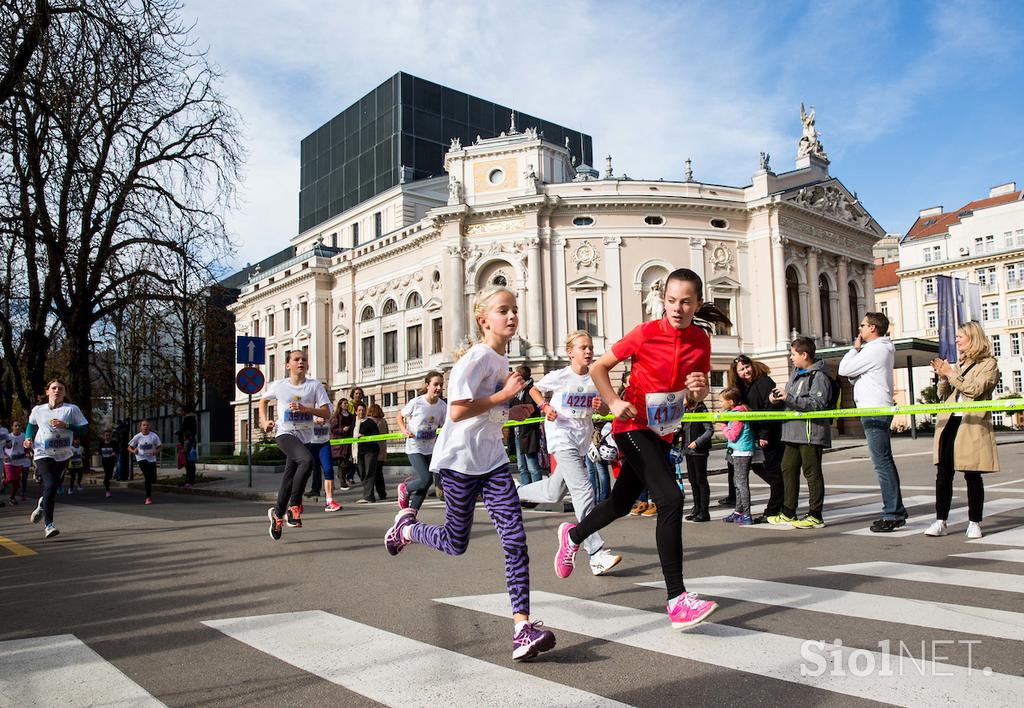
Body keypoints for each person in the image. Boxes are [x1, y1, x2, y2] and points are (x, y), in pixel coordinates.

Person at [383, 286, 557, 662]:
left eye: (514, 310)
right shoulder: (476, 359)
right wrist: (503, 397)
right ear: (484, 320)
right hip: (459, 463)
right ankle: (407, 529)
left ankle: (521, 628)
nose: (512, 316)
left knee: (515, 539)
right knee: (454, 542)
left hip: (492, 462)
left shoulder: (500, 360)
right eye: (503, 311)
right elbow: (458, 412)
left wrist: (510, 414)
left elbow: (484, 415)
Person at [554, 268, 729, 630]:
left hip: (662, 433)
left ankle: (573, 536)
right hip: (631, 426)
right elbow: (600, 367)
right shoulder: (645, 333)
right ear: (662, 300)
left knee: (619, 503)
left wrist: (697, 390)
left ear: (697, 302)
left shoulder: (701, 341)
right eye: (670, 301)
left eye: (685, 302)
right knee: (671, 498)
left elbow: (695, 397)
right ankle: (677, 599)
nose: (677, 308)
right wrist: (614, 402)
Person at [517, 330, 623, 576]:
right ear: (570, 352)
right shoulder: (560, 376)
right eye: (582, 347)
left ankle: (512, 492)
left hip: (581, 440)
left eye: (590, 347)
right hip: (561, 436)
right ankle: (595, 552)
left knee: (554, 491)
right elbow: (534, 390)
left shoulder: (597, 377)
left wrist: (602, 405)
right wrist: (544, 407)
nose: (588, 351)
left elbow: (607, 410)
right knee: (584, 489)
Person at [925, 321, 1000, 539]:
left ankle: (975, 522)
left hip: (971, 423)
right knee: (943, 473)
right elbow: (943, 395)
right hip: (950, 421)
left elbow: (975, 390)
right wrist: (942, 377)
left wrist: (951, 373)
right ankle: (940, 520)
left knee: (972, 473)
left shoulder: (989, 364)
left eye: (960, 336)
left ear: (972, 338)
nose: (956, 340)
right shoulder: (961, 363)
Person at [838, 312, 908, 533]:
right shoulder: (878, 349)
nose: (859, 329)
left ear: (873, 328)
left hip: (874, 409)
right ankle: (895, 510)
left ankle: (894, 513)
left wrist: (854, 349)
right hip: (873, 407)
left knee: (882, 463)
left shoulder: (876, 349)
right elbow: (851, 376)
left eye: (862, 325)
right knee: (883, 462)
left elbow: (844, 369)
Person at [259, 349, 331, 540]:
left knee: (289, 477)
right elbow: (263, 401)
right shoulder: (280, 385)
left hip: (305, 437)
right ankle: (294, 506)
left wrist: (306, 409)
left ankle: (277, 513)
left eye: (304, 359)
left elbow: (327, 413)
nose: (301, 362)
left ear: (307, 365)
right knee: (307, 462)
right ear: (288, 365)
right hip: (284, 434)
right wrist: (265, 422)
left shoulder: (314, 386)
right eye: (296, 359)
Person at [770, 336, 832, 529]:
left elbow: (817, 404)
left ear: (804, 354)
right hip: (791, 431)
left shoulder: (819, 376)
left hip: (809, 432)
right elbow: (792, 399)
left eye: (793, 354)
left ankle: (815, 515)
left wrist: (790, 398)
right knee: (787, 468)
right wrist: (777, 399)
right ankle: (788, 511)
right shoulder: (796, 374)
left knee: (811, 473)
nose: (791, 358)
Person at [24, 378, 89, 538]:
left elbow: (84, 429)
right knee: (51, 484)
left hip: (63, 455)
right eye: (54, 388)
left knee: (52, 489)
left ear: (64, 393)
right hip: (42, 453)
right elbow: (31, 425)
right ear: (47, 391)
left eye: (60, 388)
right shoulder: (39, 410)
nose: (57, 391)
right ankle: (49, 525)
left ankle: (41, 505)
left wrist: (66, 426)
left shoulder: (71, 409)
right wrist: (28, 438)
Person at [726, 355, 786, 523]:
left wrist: (764, 435)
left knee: (773, 473)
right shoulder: (745, 387)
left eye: (747, 367)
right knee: (759, 468)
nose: (747, 371)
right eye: (742, 369)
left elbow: (771, 409)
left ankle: (774, 509)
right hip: (756, 436)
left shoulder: (764, 382)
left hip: (769, 435)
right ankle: (781, 493)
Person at [397, 371, 447, 514]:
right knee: (426, 479)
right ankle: (405, 488)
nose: (438, 388)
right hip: (414, 447)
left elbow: (446, 425)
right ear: (427, 385)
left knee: (424, 485)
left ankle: (411, 513)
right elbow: (399, 416)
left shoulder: (442, 406)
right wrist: (404, 430)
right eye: (435, 384)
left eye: (441, 385)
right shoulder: (417, 402)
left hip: (430, 448)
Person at [719, 388, 754, 525]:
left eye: (721, 401)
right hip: (739, 450)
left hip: (741, 451)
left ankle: (746, 514)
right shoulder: (737, 411)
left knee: (741, 483)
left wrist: (722, 426)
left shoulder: (736, 414)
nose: (720, 404)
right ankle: (739, 511)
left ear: (731, 402)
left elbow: (733, 436)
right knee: (737, 482)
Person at [677, 395, 713, 522]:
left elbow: (709, 430)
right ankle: (697, 508)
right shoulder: (685, 411)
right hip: (688, 451)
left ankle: (704, 511)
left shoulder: (701, 410)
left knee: (701, 480)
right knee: (693, 480)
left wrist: (697, 442)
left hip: (699, 451)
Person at [509, 365, 543, 484]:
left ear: (520, 376)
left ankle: (538, 492)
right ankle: (526, 492)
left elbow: (530, 410)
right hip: (518, 432)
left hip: (528, 433)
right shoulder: (518, 391)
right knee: (521, 467)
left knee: (532, 466)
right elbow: (510, 405)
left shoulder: (531, 391)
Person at [309, 416, 341, 512]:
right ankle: (297, 502)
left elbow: (332, 422)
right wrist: (315, 421)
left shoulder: (328, 406)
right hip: (310, 442)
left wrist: (330, 421)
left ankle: (329, 501)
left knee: (328, 470)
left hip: (324, 443)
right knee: (305, 470)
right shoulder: (309, 404)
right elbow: (301, 423)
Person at [128, 420, 162, 505]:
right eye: (144, 425)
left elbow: (160, 446)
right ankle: (148, 497)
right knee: (147, 477)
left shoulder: (154, 436)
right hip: (141, 458)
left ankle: (149, 490)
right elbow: (129, 447)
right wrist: (134, 451)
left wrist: (156, 451)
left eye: (147, 425)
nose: (145, 427)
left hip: (151, 458)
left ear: (149, 426)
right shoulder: (137, 437)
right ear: (140, 427)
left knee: (152, 478)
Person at [353, 402, 381, 504]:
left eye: (363, 410)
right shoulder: (354, 423)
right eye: (359, 410)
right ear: (356, 412)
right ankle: (368, 494)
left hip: (370, 450)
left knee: (369, 472)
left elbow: (376, 434)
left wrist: (364, 435)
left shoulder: (370, 422)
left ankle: (369, 496)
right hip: (357, 452)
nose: (361, 412)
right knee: (362, 473)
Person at [330, 397, 355, 489]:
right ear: (340, 405)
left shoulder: (351, 416)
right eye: (344, 403)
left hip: (349, 441)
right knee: (342, 462)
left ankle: (341, 476)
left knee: (349, 462)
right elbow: (333, 429)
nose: (346, 405)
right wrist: (342, 430)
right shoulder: (337, 416)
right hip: (340, 442)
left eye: (347, 403)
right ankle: (342, 482)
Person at [3, 420, 30, 505]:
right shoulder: (8, 436)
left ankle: (12, 498)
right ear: (12, 427)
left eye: (19, 426)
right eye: (16, 426)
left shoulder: (24, 436)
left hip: (19, 461)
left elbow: (27, 447)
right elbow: (2, 447)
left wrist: (27, 453)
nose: (18, 427)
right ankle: (3, 483)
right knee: (10, 478)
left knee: (17, 481)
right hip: (9, 461)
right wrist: (5, 455)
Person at [368, 403, 389, 501]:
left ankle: (372, 493)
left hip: (373, 449)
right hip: (382, 449)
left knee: (373, 474)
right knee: (379, 473)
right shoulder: (383, 421)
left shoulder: (370, 421)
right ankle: (382, 493)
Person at [99, 429, 117, 498]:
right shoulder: (101, 443)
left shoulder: (113, 443)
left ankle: (106, 482)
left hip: (111, 461)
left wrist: (114, 453)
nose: (107, 437)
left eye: (109, 435)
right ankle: (108, 490)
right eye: (106, 435)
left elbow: (116, 449)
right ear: (104, 436)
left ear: (111, 436)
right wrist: (101, 454)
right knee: (107, 474)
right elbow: (99, 450)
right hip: (104, 461)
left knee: (109, 475)